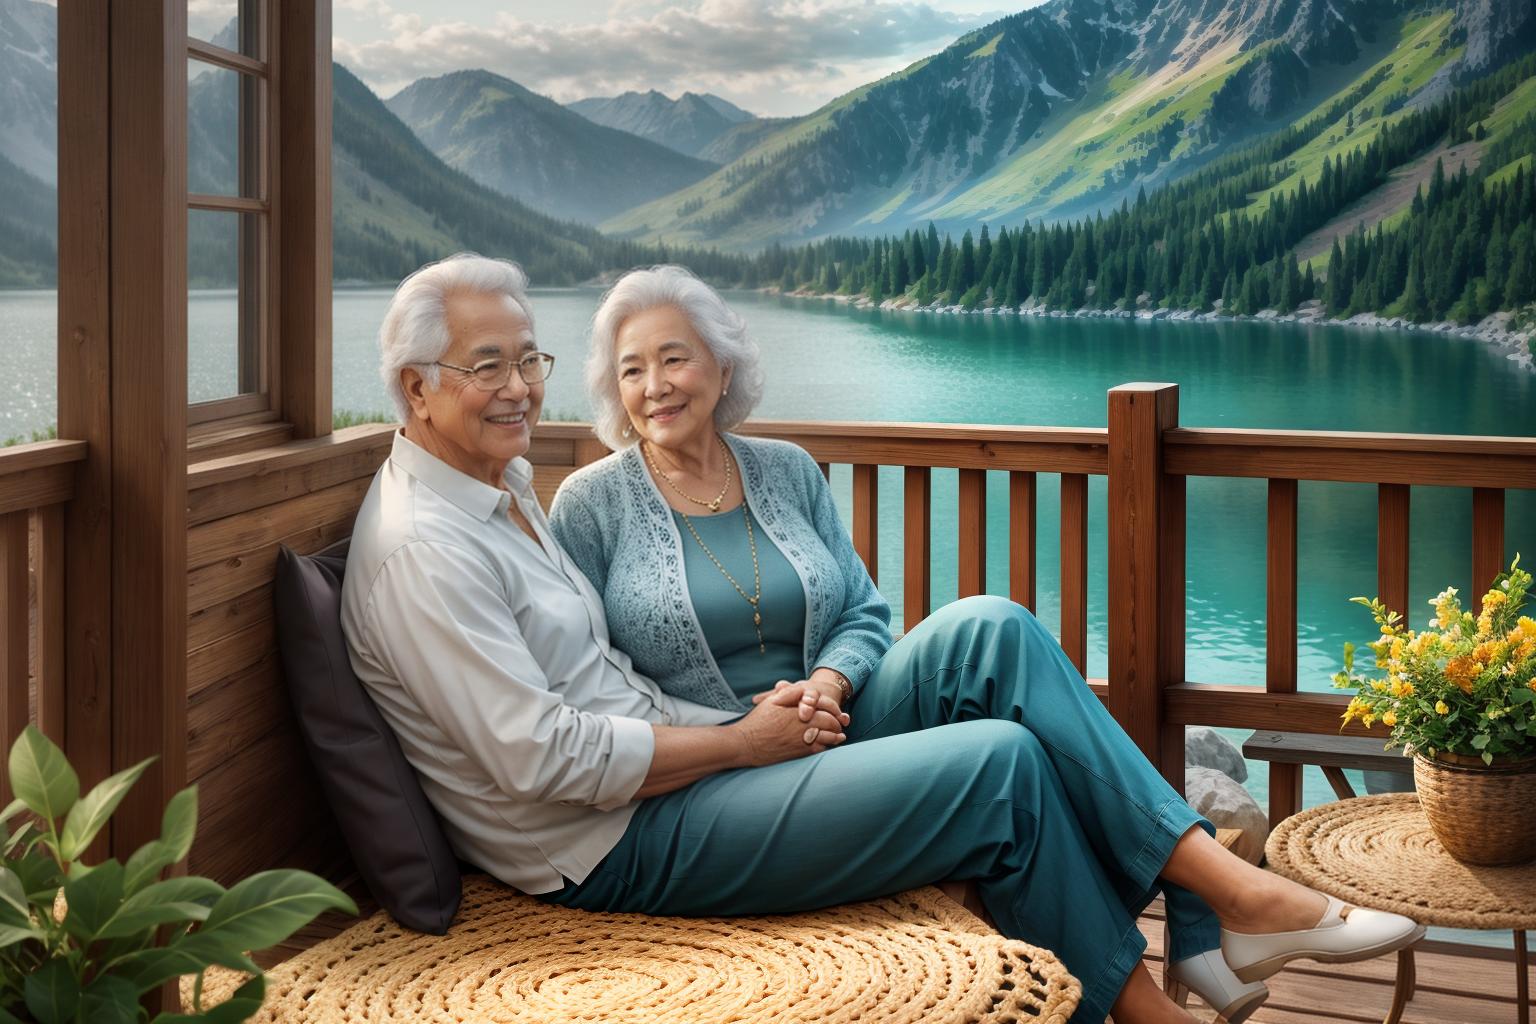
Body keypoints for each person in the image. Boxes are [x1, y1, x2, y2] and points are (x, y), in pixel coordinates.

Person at [342, 254, 1420, 1024]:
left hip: (706, 754)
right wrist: (737, 742)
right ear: (416, 388)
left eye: (527, 359)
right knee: (1001, 765)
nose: (523, 387)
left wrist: (795, 701)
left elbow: (829, 618)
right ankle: (1160, 984)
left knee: (991, 628)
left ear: (720, 366)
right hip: (608, 837)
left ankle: (1219, 900)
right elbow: (546, 760)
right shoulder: (436, 545)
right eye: (491, 367)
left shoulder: (505, 486)